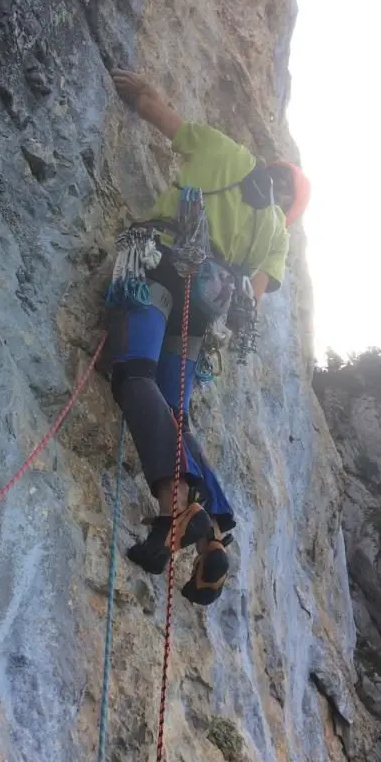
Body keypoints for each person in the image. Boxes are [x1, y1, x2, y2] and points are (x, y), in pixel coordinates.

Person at [107, 69, 311, 605]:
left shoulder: (226, 152)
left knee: (133, 376)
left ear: (271, 167)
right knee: (175, 414)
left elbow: (157, 110)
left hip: (159, 271)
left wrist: (125, 82)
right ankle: (212, 534)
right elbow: (256, 295)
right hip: (201, 314)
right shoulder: (278, 237)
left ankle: (177, 507)